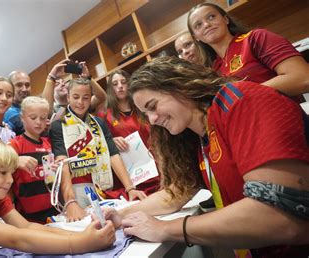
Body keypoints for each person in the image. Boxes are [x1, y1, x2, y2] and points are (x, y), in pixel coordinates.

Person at [102, 56, 309, 258]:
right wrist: (122, 216)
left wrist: (166, 228)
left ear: (179, 86)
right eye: (146, 114)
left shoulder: (240, 100)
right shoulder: (199, 137)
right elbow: (176, 193)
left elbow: (283, 218)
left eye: (153, 106)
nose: (153, 120)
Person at [0, 139, 116, 257]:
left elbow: (26, 226)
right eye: (3, 173)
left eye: (12, 173)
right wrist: (79, 244)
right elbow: (17, 239)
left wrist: (79, 235)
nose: (10, 180)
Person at [50, 78, 147, 222]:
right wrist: (70, 201)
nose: (80, 102)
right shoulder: (59, 125)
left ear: (91, 99)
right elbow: (61, 162)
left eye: (86, 98)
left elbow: (113, 154)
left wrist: (130, 188)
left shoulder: (99, 122)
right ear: (68, 97)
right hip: (76, 188)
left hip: (103, 186)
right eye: (76, 97)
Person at [187, 3, 309, 97]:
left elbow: (303, 78)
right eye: (198, 25)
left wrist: (243, 96)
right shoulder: (212, 69)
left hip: (287, 121)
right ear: (196, 37)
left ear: (226, 19)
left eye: (211, 17)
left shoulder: (255, 38)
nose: (206, 24)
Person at [96, 70, 160, 197]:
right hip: (130, 175)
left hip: (156, 166)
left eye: (123, 82)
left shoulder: (142, 108)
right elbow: (101, 144)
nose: (120, 86)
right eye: (115, 84)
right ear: (110, 89)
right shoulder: (104, 114)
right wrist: (112, 140)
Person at [9, 96, 59, 223]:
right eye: (33, 118)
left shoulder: (49, 144)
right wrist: (16, 161)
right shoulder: (15, 144)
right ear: (22, 118)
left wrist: (57, 170)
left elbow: (53, 179)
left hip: (53, 210)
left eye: (43, 118)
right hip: (27, 216)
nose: (38, 122)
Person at [42, 59, 106, 117]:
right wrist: (51, 77)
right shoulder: (54, 110)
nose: (62, 84)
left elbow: (101, 97)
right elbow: (45, 111)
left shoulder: (79, 104)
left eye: (64, 82)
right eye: (57, 84)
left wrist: (88, 78)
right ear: (52, 93)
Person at [3, 71, 31, 135]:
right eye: (19, 85)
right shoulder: (7, 111)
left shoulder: (31, 108)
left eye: (27, 85)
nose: (24, 89)